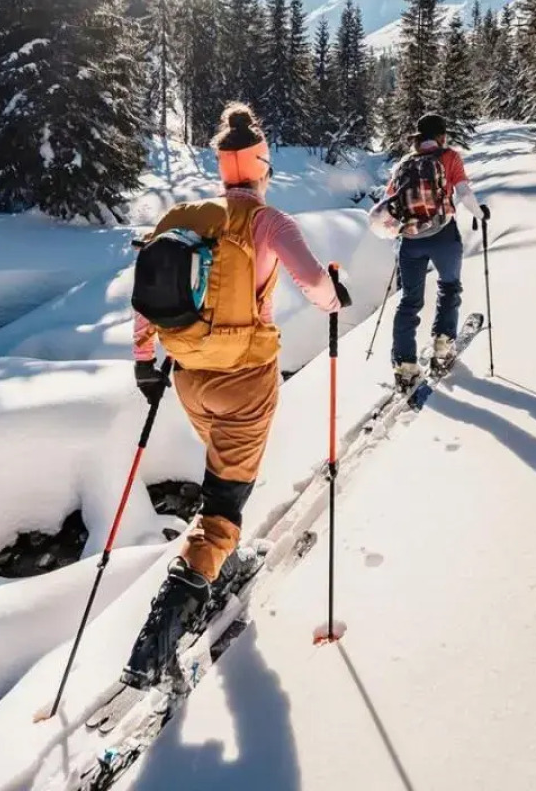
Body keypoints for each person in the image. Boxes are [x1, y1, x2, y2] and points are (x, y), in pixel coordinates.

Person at [125, 102, 351, 687]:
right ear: (261, 166)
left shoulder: (182, 217)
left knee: (222, 472)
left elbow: (145, 295)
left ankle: (220, 560)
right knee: (224, 503)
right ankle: (160, 634)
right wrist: (336, 295)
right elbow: (316, 285)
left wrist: (145, 362)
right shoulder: (268, 222)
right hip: (246, 382)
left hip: (188, 379)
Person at [369, 112, 488, 389]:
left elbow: (389, 202)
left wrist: (398, 230)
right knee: (449, 287)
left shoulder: (404, 164)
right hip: (444, 235)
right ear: (441, 136)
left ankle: (404, 365)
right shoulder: (450, 157)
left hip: (411, 240)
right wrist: (480, 214)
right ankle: (443, 346)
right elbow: (464, 193)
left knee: (409, 301)